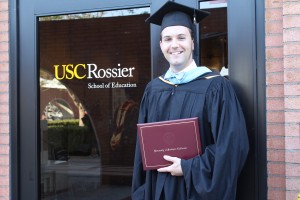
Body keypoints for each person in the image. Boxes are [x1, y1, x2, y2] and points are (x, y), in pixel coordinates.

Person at [131, 1, 249, 200]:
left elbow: (232, 147)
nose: (174, 45)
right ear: (161, 45)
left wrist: (188, 167)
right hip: (158, 188)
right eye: (167, 39)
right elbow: (141, 152)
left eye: (181, 37)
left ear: (193, 42)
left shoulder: (215, 87)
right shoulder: (154, 89)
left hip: (195, 190)